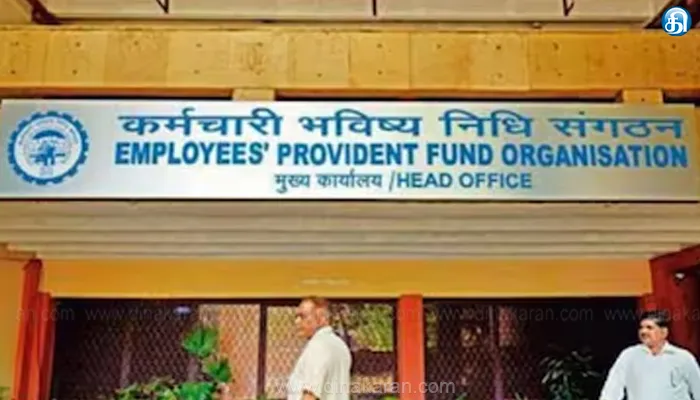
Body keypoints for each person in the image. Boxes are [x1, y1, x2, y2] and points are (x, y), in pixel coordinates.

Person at [599, 309, 700, 400]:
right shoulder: (629, 356)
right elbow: (612, 389)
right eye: (641, 328)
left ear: (664, 332)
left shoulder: (683, 358)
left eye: (649, 328)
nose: (643, 331)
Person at [287, 296, 352, 400]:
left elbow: (310, 394)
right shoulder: (340, 346)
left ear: (321, 318)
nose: (297, 321)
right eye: (297, 317)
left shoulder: (317, 347)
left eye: (303, 316)